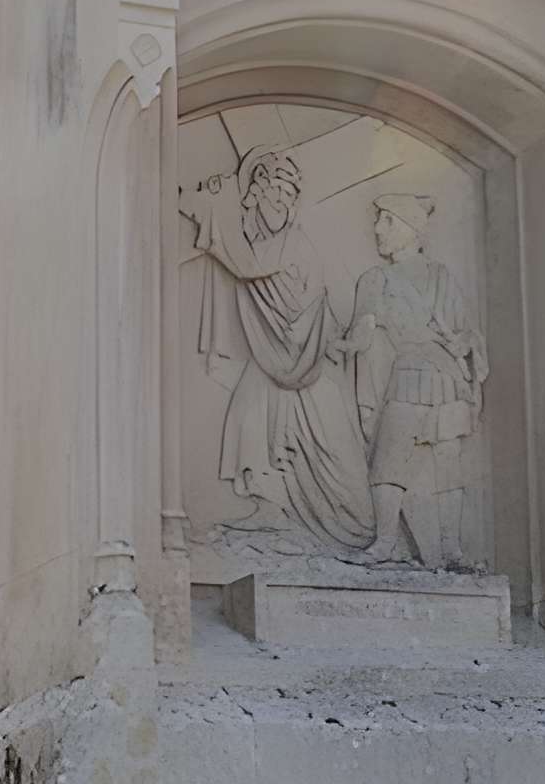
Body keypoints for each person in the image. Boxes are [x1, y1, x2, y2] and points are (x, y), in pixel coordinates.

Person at [181, 147, 374, 553]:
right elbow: (245, 258)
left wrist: (210, 213)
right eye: (275, 192)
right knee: (248, 415)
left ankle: (355, 524)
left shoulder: (292, 243)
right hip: (276, 356)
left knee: (330, 446)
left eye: (289, 194)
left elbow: (246, 265)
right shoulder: (265, 241)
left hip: (308, 359)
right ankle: (270, 509)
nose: (282, 202)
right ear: (256, 194)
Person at [345, 192, 488, 567]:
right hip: (407, 374)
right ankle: (385, 542)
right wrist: (340, 345)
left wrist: (464, 341)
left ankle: (451, 549)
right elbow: (363, 330)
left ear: (410, 228)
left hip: (445, 377)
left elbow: (467, 330)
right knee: (388, 458)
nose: (378, 229)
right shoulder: (376, 279)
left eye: (388, 221)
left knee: (448, 465)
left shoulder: (441, 276)